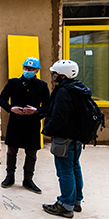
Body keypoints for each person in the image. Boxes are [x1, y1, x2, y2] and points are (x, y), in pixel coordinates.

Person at [0, 56, 50, 194]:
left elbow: (48, 106)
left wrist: (37, 110)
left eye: (31, 69)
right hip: (15, 122)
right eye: (26, 68)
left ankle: (28, 180)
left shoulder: (42, 86)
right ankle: (9, 177)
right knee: (11, 151)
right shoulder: (13, 83)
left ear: (37, 70)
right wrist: (10, 109)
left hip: (32, 124)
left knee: (31, 153)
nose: (28, 70)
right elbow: (1, 99)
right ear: (23, 68)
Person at [42, 60, 87, 218]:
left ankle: (65, 205)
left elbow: (59, 117)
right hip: (76, 137)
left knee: (65, 171)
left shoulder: (63, 91)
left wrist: (47, 129)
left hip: (64, 138)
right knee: (75, 167)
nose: (52, 75)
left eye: (54, 73)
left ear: (62, 75)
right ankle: (76, 201)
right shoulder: (78, 88)